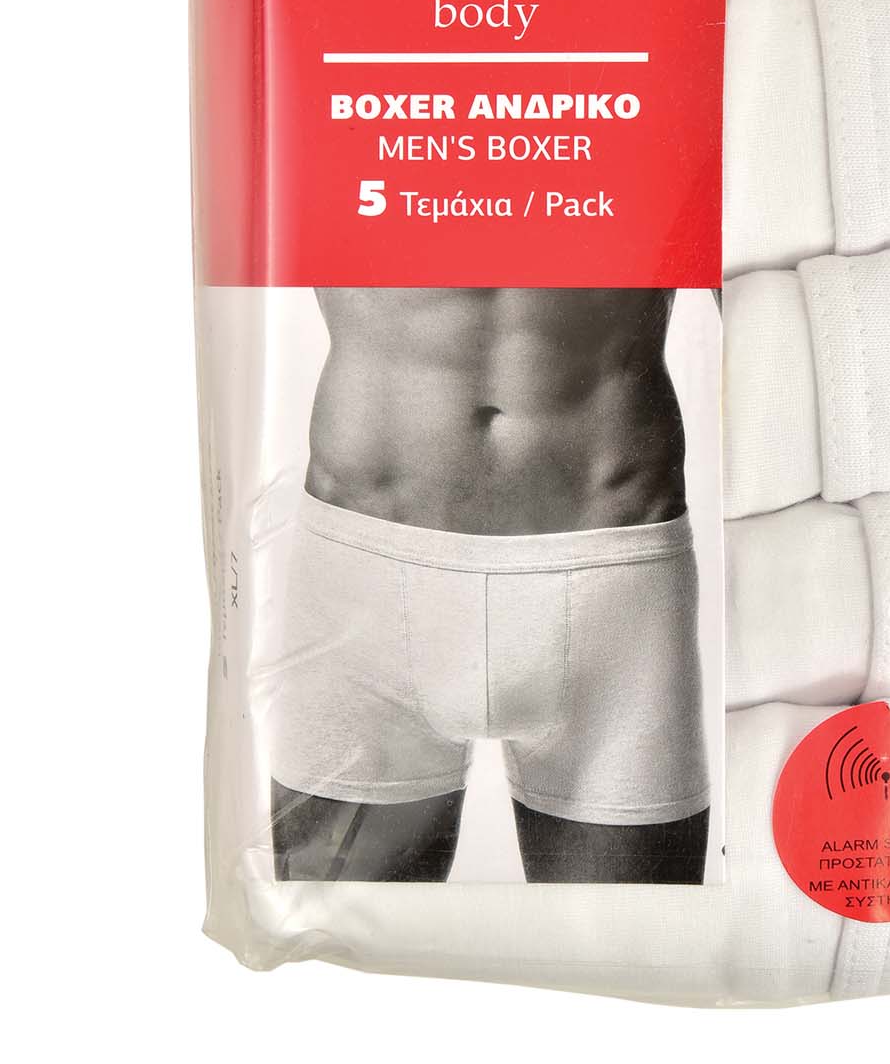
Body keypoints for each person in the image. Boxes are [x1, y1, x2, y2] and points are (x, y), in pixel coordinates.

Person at [266, 286, 710, 883]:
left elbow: (764, 323)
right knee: (331, 938)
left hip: (616, 584)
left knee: (638, 939)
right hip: (363, 576)